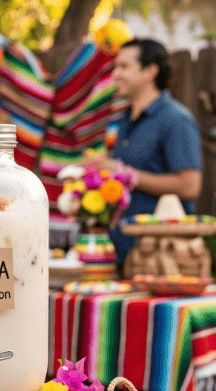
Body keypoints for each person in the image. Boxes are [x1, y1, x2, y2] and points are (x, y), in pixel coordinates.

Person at [86, 38, 202, 261]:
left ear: (150, 71)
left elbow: (190, 186)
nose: (115, 74)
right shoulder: (122, 121)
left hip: (163, 258)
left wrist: (126, 174)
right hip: (123, 253)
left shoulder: (176, 120)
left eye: (124, 67)